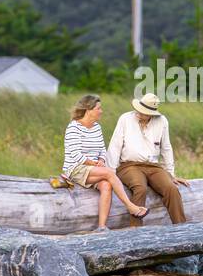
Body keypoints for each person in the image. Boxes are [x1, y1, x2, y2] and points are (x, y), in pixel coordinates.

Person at [61, 94, 147, 230]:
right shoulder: (74, 128)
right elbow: (75, 154)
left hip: (93, 169)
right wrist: (94, 164)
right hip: (75, 169)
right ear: (89, 110)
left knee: (106, 185)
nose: (101, 111)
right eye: (98, 108)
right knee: (108, 173)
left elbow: (102, 149)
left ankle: (101, 227)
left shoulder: (97, 127)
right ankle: (131, 207)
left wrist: (101, 160)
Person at [107, 92, 190, 226]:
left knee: (171, 189)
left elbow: (166, 147)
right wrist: (110, 173)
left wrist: (171, 173)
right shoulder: (125, 119)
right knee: (140, 187)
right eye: (138, 109)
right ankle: (135, 231)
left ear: (152, 114)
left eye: (143, 112)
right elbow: (114, 146)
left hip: (153, 166)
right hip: (129, 165)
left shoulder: (162, 121)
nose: (139, 113)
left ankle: (180, 228)